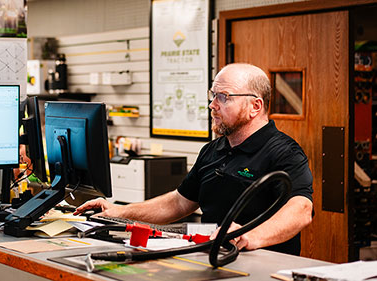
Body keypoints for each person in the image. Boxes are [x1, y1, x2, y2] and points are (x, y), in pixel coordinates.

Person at [74, 63, 313, 255]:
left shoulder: (284, 152)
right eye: (213, 95)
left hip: (262, 265)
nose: (212, 105)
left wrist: (249, 236)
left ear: (255, 106)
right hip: (213, 258)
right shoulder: (212, 150)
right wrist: (119, 211)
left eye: (224, 97)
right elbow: (179, 203)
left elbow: (301, 210)